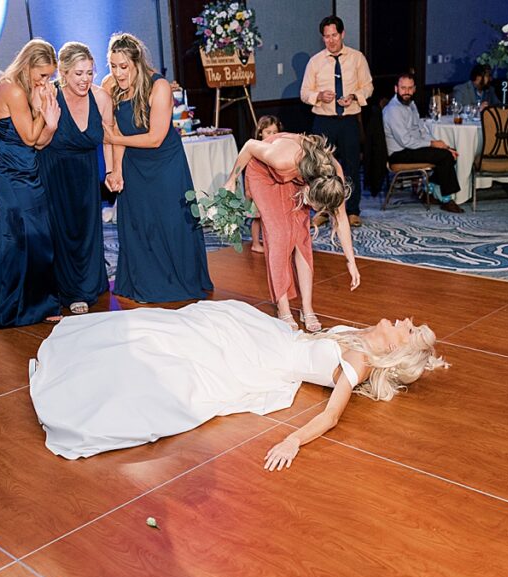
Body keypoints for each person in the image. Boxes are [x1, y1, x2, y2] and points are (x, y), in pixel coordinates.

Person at [29, 299, 445, 467]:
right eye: (411, 325)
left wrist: (292, 441)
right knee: (182, 325)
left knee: (183, 350)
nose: (406, 322)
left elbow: (333, 414)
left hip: (265, 358)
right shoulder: (361, 337)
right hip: (273, 336)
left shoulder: (361, 360)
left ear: (396, 351)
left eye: (409, 331)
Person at [101, 33, 213, 303]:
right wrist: (113, 171)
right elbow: (111, 130)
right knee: (140, 223)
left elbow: (155, 138)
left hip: (165, 163)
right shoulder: (109, 86)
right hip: (133, 164)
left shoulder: (158, 86)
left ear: (137, 63)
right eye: (113, 66)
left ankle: (180, 279)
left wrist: (115, 139)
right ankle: (143, 281)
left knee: (170, 222)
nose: (118, 73)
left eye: (123, 67)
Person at [223, 132, 362, 332]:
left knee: (301, 237)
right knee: (279, 236)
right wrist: (231, 179)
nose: (314, 210)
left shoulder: (332, 179)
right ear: (309, 189)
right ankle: (284, 309)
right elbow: (250, 145)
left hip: (298, 176)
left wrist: (351, 261)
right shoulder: (282, 158)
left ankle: (307, 307)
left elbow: (341, 219)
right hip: (264, 173)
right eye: (315, 206)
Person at [0, 39, 63, 329]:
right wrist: (42, 112)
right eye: (42, 75)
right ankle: (16, 306)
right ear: (27, 66)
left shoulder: (26, 88)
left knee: (38, 237)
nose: (45, 81)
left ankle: (40, 303)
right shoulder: (12, 88)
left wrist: (49, 123)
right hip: (12, 174)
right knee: (21, 238)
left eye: (49, 76)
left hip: (28, 169)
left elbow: (39, 143)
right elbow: (28, 137)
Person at [38, 41, 109, 315]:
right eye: (79, 73)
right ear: (63, 73)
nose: (85, 79)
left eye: (89, 72)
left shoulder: (100, 97)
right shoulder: (49, 96)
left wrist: (113, 171)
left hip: (87, 174)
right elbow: (38, 143)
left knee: (87, 229)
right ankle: (71, 291)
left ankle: (91, 282)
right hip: (54, 173)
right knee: (61, 232)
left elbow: (111, 138)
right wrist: (50, 124)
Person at [301, 15, 373, 227]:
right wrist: (318, 96)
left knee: (351, 166)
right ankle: (323, 210)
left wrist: (354, 97)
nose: (331, 40)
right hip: (324, 121)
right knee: (322, 169)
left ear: (342, 34)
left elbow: (368, 86)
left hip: (349, 119)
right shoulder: (315, 62)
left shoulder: (357, 58)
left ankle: (352, 211)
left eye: (334, 35)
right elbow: (304, 92)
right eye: (326, 37)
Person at [382, 73, 463, 213]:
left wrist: (440, 144)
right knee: (444, 157)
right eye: (403, 88)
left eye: (409, 88)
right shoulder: (393, 110)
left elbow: (422, 129)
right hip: (399, 153)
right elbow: (406, 141)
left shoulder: (411, 104)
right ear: (396, 89)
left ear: (414, 89)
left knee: (448, 152)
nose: (406, 92)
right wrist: (433, 144)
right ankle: (446, 199)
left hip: (411, 148)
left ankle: (429, 191)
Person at [245, 114, 283, 253]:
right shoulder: (255, 149)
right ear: (260, 132)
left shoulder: (278, 150)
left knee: (271, 219)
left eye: (275, 132)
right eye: (268, 132)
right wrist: (248, 191)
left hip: (272, 190)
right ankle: (256, 243)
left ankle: (272, 243)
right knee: (258, 219)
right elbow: (249, 171)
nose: (272, 135)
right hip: (258, 190)